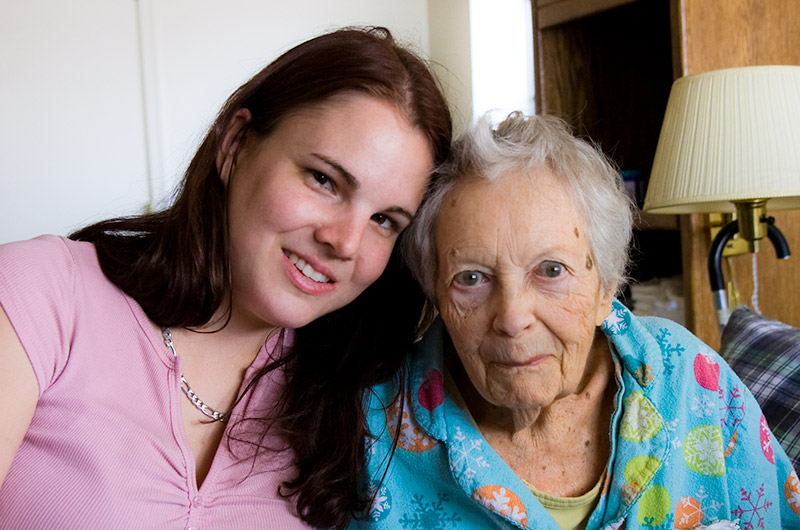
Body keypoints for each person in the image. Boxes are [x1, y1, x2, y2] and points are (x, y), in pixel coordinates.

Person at [0, 27, 451, 529]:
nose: (345, 242)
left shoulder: (355, 405)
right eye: (324, 180)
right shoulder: (41, 294)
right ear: (235, 143)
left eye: (384, 220)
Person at [351, 113, 800, 529]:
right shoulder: (371, 434)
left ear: (606, 288)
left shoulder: (690, 379)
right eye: (471, 278)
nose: (512, 318)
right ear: (436, 293)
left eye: (551, 270)